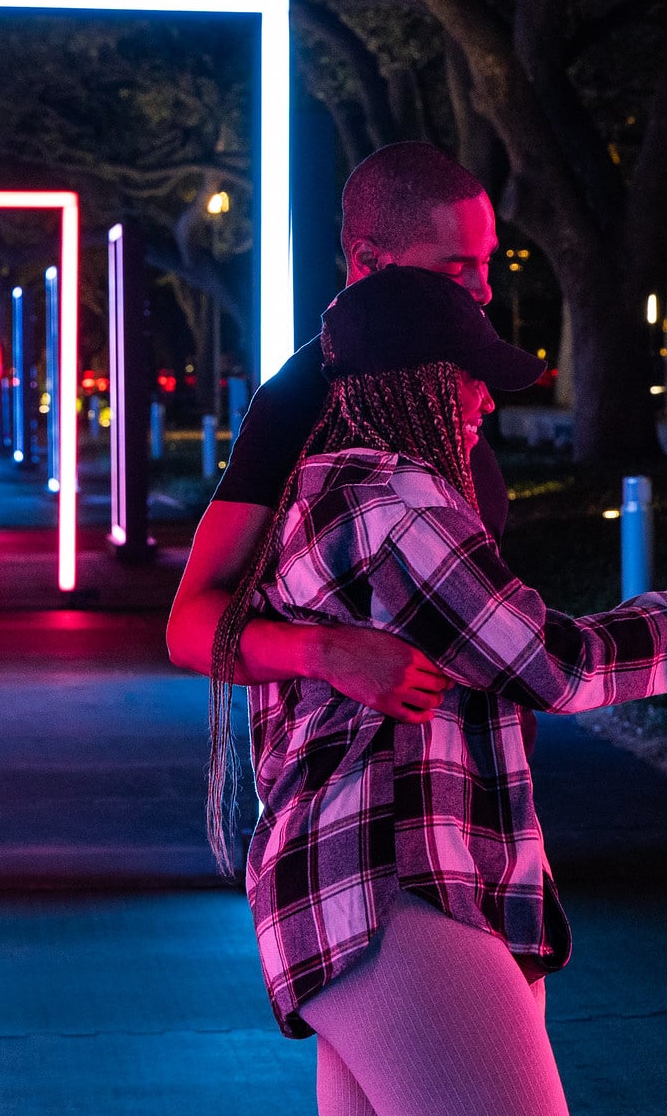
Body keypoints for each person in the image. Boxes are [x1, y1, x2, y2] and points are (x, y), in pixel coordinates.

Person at [206, 268, 667, 1116]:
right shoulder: (401, 506)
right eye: (468, 376)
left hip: (346, 892)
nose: (484, 401)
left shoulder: (322, 496)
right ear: (417, 382)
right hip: (395, 882)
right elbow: (555, 663)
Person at [167, 140, 503, 721]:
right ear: (369, 260)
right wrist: (324, 652)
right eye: (455, 267)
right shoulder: (298, 399)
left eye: (488, 260)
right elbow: (188, 626)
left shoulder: (451, 373)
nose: (483, 289)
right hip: (352, 768)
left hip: (478, 765)